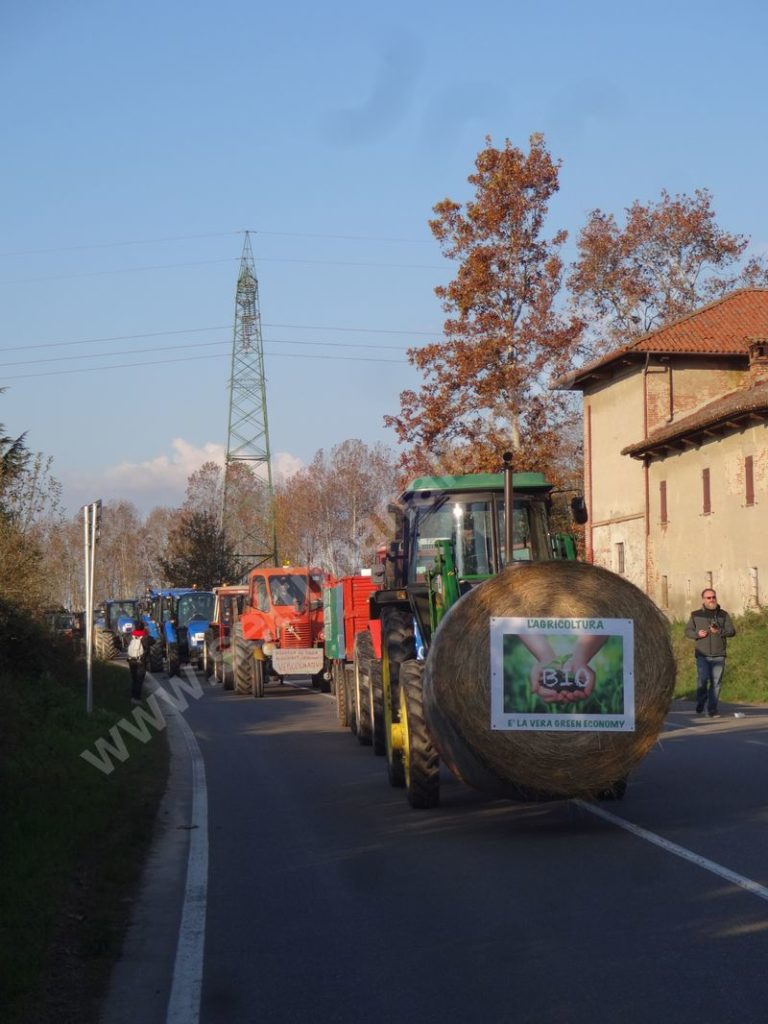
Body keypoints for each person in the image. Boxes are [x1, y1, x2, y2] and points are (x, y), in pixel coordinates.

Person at [684, 588, 736, 718]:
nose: (712, 599)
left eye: (713, 597)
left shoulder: (723, 615)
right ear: (703, 599)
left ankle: (712, 710)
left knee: (716, 683)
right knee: (702, 681)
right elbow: (688, 631)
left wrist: (719, 631)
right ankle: (701, 700)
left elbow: (732, 631)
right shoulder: (695, 614)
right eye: (708, 598)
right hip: (702, 654)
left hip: (719, 655)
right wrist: (697, 634)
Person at [127, 622, 151, 704]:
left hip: (131, 661)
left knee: (134, 679)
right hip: (141, 661)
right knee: (139, 680)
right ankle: (137, 699)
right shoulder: (146, 637)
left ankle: (132, 697)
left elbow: (127, 642)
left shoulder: (130, 636)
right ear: (143, 628)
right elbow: (154, 641)